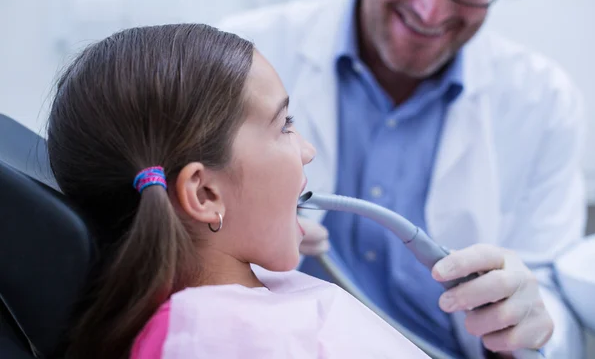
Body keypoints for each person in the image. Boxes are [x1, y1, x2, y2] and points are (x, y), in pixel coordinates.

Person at [217, 0, 587, 358]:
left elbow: (549, 299)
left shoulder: (542, 101)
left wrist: (522, 325)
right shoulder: (242, 53)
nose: (432, 10)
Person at [46, 24, 431, 359]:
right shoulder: (211, 336)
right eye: (284, 125)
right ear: (205, 195)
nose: (307, 151)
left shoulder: (233, 315)